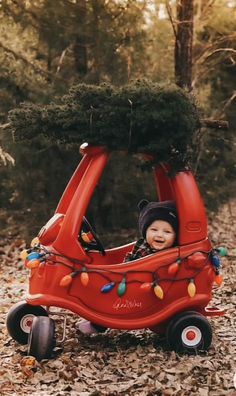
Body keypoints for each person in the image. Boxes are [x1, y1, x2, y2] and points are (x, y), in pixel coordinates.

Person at [77, 199, 178, 336]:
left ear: (175, 236)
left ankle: (98, 324)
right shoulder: (143, 245)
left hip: (142, 292)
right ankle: (96, 320)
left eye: (167, 232)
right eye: (154, 229)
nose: (159, 235)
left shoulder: (168, 255)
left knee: (111, 297)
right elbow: (131, 260)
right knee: (108, 288)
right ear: (145, 231)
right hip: (132, 281)